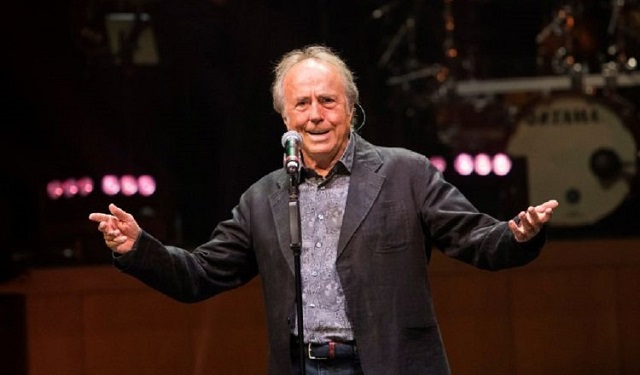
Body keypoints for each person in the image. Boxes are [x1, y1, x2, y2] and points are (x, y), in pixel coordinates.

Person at [89, 44, 559, 375]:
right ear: (285, 118)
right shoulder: (263, 197)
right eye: (303, 104)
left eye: (328, 101)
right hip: (304, 367)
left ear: (350, 109)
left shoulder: (405, 173)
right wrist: (138, 248)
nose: (316, 114)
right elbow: (198, 274)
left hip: (392, 364)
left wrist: (518, 233)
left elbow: (476, 239)